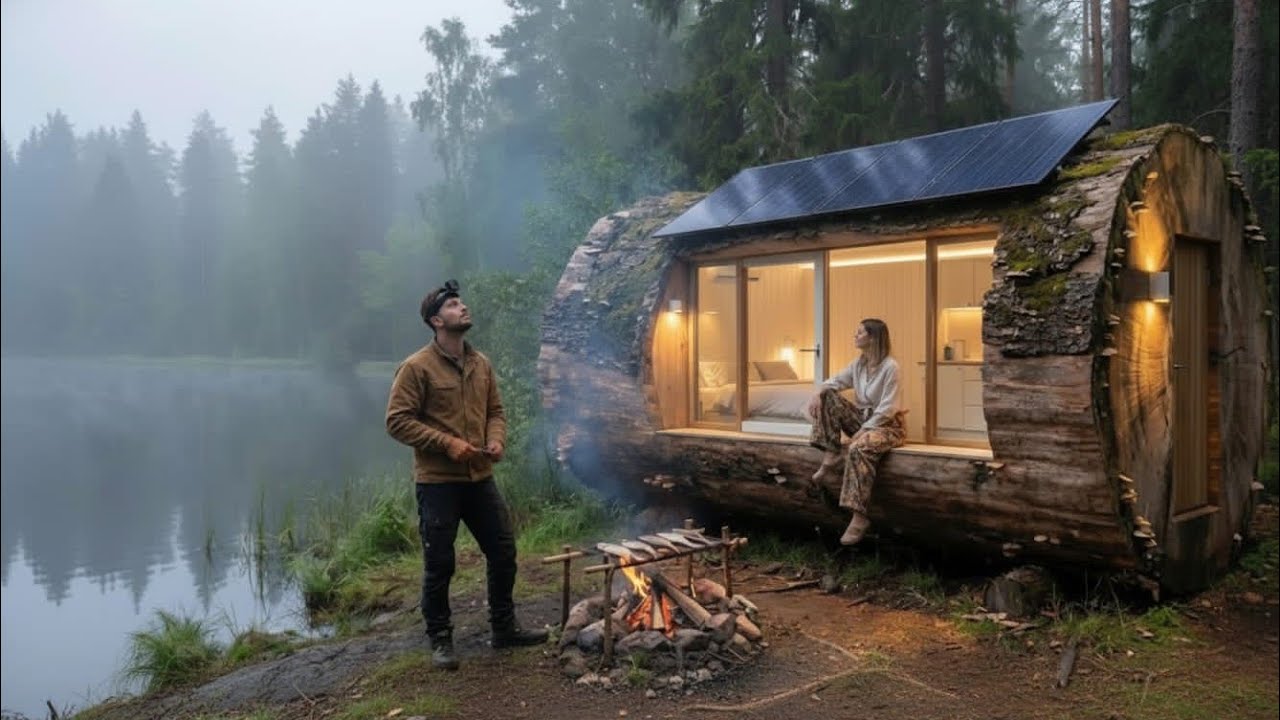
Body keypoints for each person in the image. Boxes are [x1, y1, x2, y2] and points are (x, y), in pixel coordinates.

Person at [385, 278, 548, 670]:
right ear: (435, 320)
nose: (463, 308)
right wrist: (446, 443)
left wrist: (496, 441)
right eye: (454, 305)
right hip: (438, 484)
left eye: (462, 303)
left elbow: (496, 412)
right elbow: (396, 422)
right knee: (440, 563)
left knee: (504, 551)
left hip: (479, 478)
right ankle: (441, 640)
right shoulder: (415, 368)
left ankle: (504, 629)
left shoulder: (481, 363)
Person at [806, 318, 906, 546]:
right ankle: (831, 454)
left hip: (888, 425)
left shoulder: (891, 367)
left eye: (859, 332)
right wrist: (817, 392)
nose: (855, 336)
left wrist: (862, 431)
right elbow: (835, 382)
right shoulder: (858, 364)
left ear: (873, 337)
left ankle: (859, 517)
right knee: (827, 396)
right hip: (862, 418)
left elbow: (889, 407)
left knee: (858, 448)